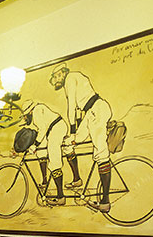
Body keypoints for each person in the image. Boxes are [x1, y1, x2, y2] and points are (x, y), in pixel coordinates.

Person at [50, 63, 113, 212]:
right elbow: (79, 107)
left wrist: (72, 130)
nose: (57, 79)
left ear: (64, 72)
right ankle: (77, 180)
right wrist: (74, 134)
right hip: (90, 114)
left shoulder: (71, 78)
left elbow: (72, 105)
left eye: (58, 75)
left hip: (97, 111)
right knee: (68, 145)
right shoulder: (74, 79)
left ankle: (105, 202)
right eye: (55, 77)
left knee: (101, 154)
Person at [21, 102, 68, 205]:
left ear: (30, 111)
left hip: (57, 129)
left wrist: (35, 144)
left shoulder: (37, 111)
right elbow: (43, 129)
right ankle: (45, 181)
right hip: (52, 129)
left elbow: (42, 129)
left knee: (54, 161)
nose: (25, 118)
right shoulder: (38, 110)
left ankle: (61, 197)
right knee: (41, 152)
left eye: (25, 115)